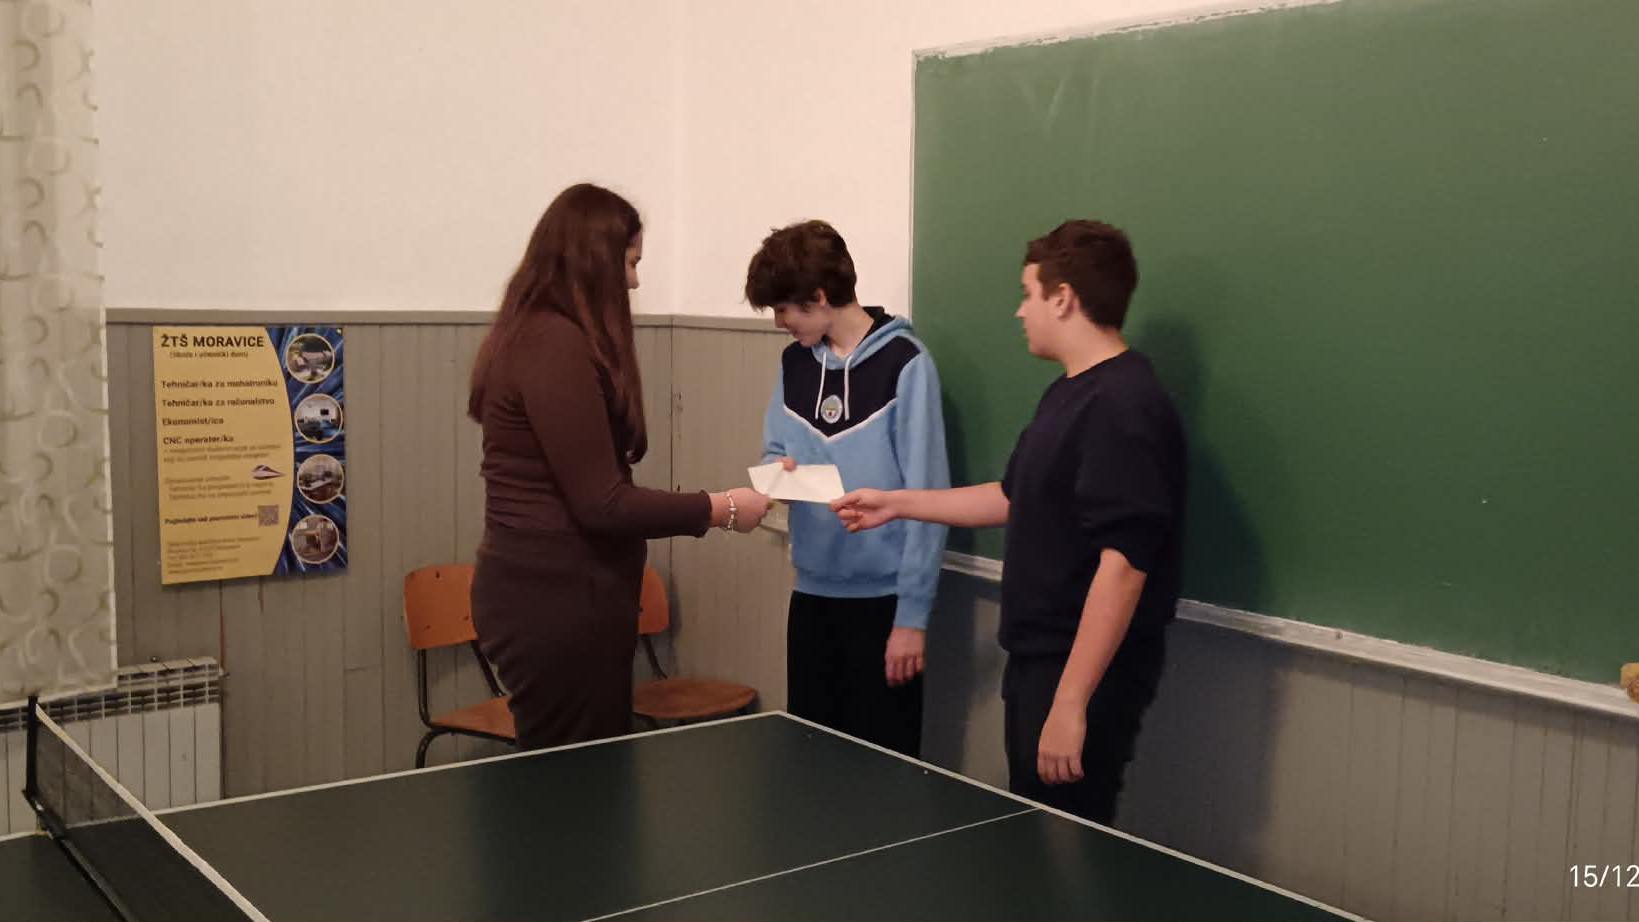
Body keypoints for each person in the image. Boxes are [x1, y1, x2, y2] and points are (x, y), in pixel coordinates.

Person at [831, 220, 1185, 822]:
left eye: (1028, 294)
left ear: (1063, 298)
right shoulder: (1068, 393)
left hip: (1079, 671)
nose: (1021, 311)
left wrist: (1070, 703)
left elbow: (1124, 566)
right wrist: (896, 503)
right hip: (1038, 661)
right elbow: (1012, 497)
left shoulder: (1126, 404)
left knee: (1064, 842)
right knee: (1035, 832)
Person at [468, 183, 770, 750]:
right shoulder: (552, 343)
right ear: (593, 261)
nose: (633, 282)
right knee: (576, 784)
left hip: (565, 598)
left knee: (586, 777)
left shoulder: (537, 334)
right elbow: (602, 503)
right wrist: (722, 508)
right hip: (555, 603)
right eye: (629, 263)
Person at [745, 219, 949, 757]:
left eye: (784, 310)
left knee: (883, 774)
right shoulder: (794, 363)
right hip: (812, 600)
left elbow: (930, 499)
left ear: (818, 297)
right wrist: (777, 474)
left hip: (885, 608)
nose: (779, 324)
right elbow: (773, 453)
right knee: (813, 765)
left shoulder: (907, 364)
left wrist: (912, 619)